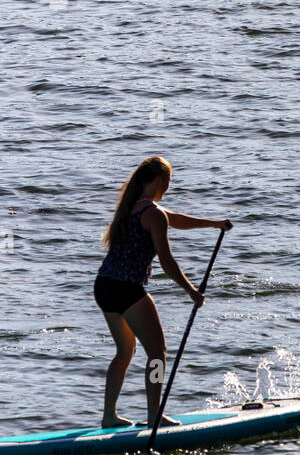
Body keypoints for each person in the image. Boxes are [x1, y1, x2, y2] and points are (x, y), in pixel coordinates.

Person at [93, 156, 232, 428]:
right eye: (169, 180)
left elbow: (176, 219)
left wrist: (214, 224)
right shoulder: (153, 214)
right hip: (126, 288)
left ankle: (109, 416)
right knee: (157, 352)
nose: (168, 186)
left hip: (104, 285)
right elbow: (166, 261)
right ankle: (154, 415)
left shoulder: (131, 206)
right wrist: (191, 291)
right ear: (160, 180)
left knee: (124, 352)